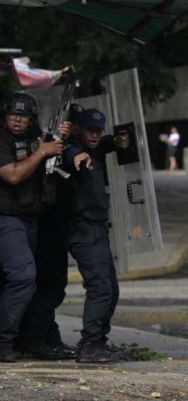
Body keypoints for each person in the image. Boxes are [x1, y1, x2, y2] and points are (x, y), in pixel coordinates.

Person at [0, 93, 66, 362]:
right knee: (23, 277)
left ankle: (1, 341)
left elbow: (51, 147)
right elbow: (12, 175)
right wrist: (41, 153)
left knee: (14, 282)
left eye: (23, 116)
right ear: (4, 115)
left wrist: (58, 140)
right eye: (13, 114)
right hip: (2, 218)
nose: (17, 120)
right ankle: (1, 343)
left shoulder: (34, 134)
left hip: (27, 219)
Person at [49, 109, 127, 363]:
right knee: (100, 287)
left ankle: (98, 341)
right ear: (77, 129)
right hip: (81, 226)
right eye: (89, 130)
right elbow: (70, 153)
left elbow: (105, 143)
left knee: (111, 289)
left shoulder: (96, 146)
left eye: (98, 130)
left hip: (96, 226)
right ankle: (90, 344)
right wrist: (77, 155)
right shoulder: (69, 147)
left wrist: (118, 141)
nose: (94, 135)